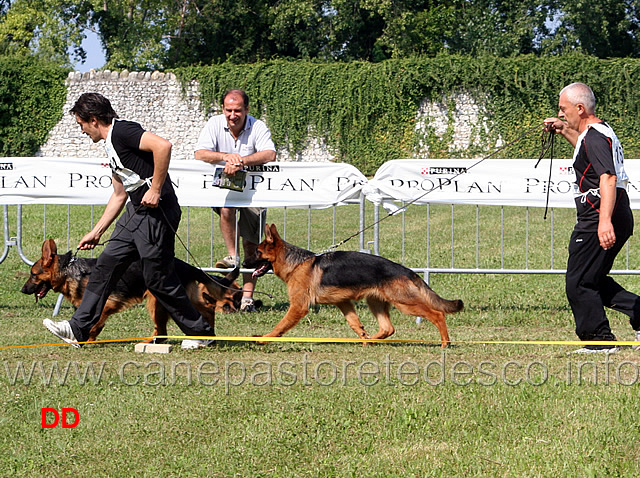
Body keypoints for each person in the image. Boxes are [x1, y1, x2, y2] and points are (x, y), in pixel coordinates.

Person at [43, 92, 216, 349]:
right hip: (135, 211)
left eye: (80, 124)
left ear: (93, 119)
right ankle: (78, 328)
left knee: (157, 276)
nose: (81, 131)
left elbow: (163, 146)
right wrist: (97, 231)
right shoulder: (111, 147)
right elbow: (119, 194)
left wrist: (156, 189)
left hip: (157, 211)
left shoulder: (123, 131)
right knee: (106, 264)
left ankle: (201, 333)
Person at [544, 82, 640, 354]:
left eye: (563, 110)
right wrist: (564, 130)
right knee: (592, 278)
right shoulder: (598, 132)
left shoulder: (595, 137)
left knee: (579, 282)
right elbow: (585, 155)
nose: (561, 114)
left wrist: (603, 221)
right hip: (613, 210)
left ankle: (599, 341)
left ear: (580, 108)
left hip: (599, 212)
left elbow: (607, 177)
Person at [194, 89, 276, 312]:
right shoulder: (214, 124)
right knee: (226, 207)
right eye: (228, 110)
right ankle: (232, 256)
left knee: (252, 247)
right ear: (223, 110)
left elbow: (270, 154)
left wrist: (241, 161)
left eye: (238, 110)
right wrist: (226, 157)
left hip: (254, 194)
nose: (233, 115)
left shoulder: (257, 126)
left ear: (246, 110)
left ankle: (247, 299)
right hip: (224, 190)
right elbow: (200, 153)